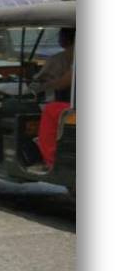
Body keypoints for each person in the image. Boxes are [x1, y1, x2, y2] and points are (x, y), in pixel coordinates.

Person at [33, 27, 75, 170]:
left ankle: (50, 160)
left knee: (50, 110)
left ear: (65, 38)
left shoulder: (61, 57)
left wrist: (44, 86)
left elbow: (65, 82)